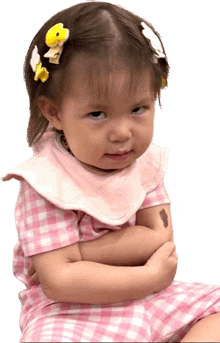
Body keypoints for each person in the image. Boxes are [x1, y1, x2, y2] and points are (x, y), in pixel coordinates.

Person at [2, 2, 220, 342]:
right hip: (71, 310)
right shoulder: (45, 181)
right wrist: (150, 277)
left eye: (138, 109)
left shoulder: (144, 164)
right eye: (97, 114)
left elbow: (159, 239)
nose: (122, 133)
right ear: (55, 112)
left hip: (148, 299)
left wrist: (78, 254)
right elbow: (60, 281)